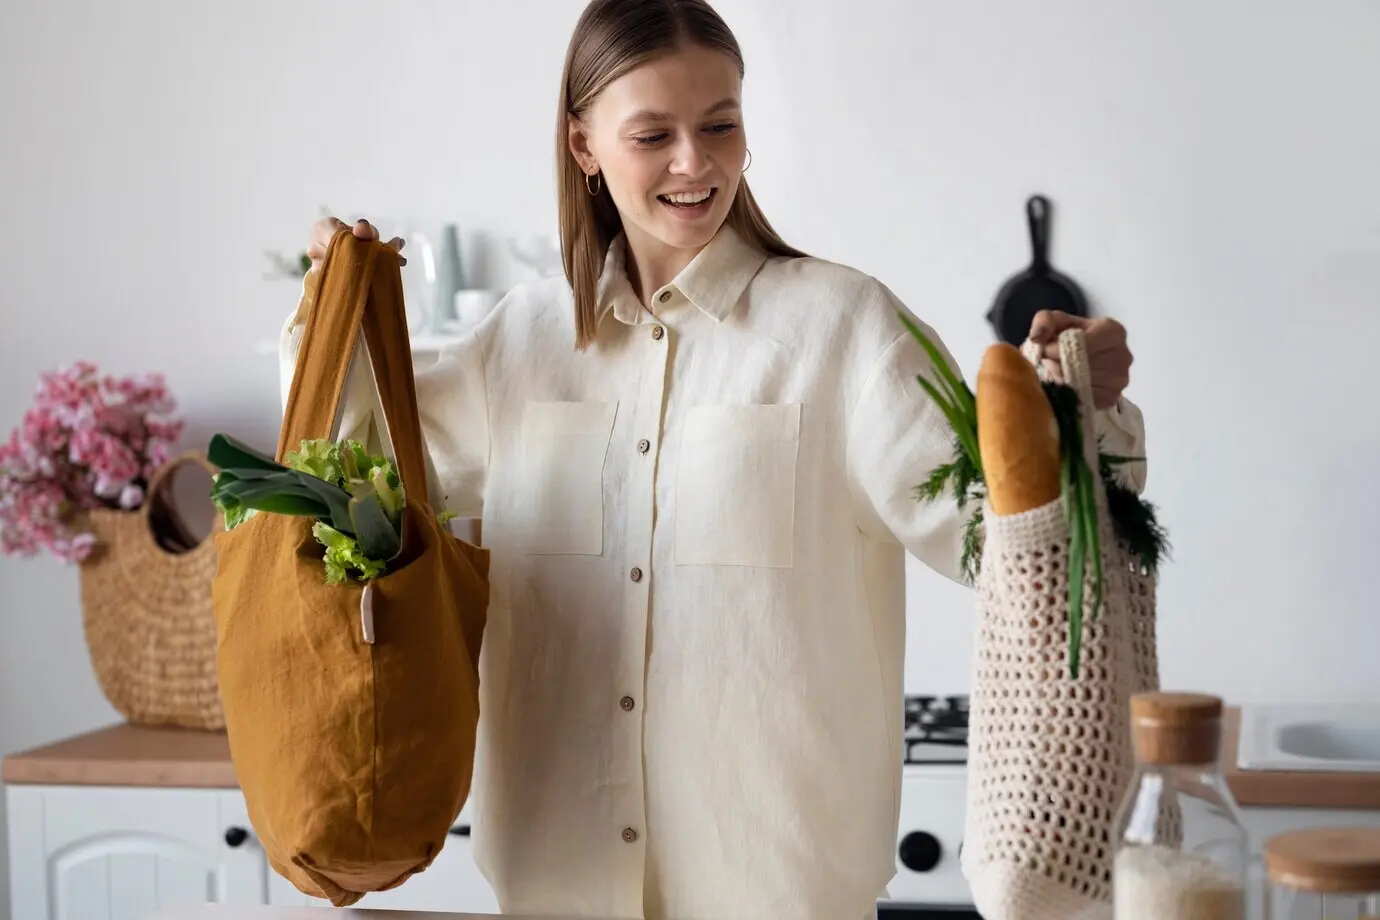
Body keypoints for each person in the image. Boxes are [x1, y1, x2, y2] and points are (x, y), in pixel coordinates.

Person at [281, 1, 1145, 917]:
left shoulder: (848, 330)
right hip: (554, 884)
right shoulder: (518, 345)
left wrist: (1082, 415)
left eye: (720, 126)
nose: (695, 163)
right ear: (583, 147)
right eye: (652, 134)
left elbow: (1004, 538)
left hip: (780, 887)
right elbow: (350, 476)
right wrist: (329, 314)